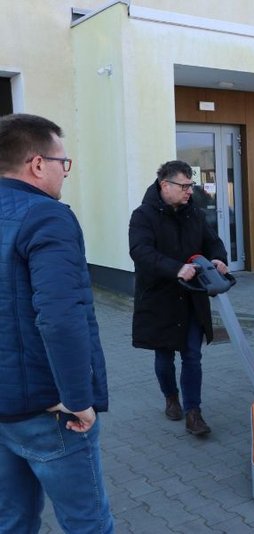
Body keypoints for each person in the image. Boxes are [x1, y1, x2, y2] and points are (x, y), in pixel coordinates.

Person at [0, 114, 113, 532]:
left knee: (12, 520)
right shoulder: (46, 216)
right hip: (49, 410)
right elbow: (60, 317)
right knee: (87, 523)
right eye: (63, 162)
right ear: (36, 164)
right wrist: (77, 398)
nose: (65, 171)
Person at [128, 160, 228, 436]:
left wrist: (218, 258)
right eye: (184, 186)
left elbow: (212, 242)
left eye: (190, 185)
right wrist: (176, 269)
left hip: (192, 297)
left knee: (192, 355)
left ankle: (193, 412)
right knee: (164, 354)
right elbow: (140, 251)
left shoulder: (194, 213)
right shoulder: (143, 216)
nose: (189, 191)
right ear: (165, 185)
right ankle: (171, 397)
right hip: (160, 298)